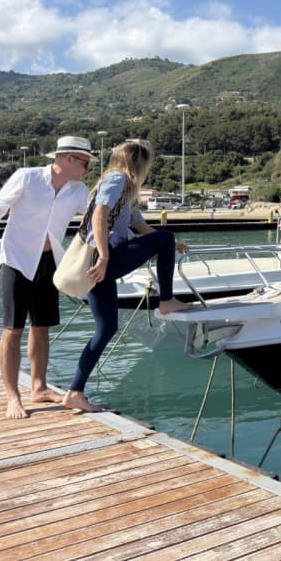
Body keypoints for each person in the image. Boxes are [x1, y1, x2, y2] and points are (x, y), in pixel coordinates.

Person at [0, 136, 94, 419]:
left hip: (50, 262)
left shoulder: (78, 191)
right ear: (68, 159)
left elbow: (98, 219)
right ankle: (12, 396)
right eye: (85, 163)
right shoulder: (27, 178)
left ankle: (39, 387)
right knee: (12, 329)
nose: (87, 169)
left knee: (42, 326)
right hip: (16, 259)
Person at [65, 139, 191, 412]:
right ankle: (166, 301)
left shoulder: (126, 189)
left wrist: (168, 244)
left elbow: (137, 224)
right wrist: (106, 258)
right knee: (164, 238)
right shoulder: (117, 181)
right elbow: (99, 216)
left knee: (106, 329)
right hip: (104, 257)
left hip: (102, 260)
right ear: (138, 162)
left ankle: (74, 392)